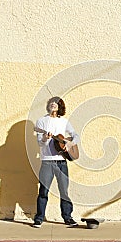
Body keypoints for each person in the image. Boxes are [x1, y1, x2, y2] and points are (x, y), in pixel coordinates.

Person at [32, 96, 80, 228]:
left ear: (60, 106)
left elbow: (76, 135)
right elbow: (40, 143)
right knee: (44, 191)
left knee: (64, 191)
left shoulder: (64, 122)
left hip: (62, 162)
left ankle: (67, 217)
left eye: (56, 102)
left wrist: (69, 143)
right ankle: (39, 218)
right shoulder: (41, 121)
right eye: (51, 102)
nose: (53, 104)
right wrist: (45, 139)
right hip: (47, 161)